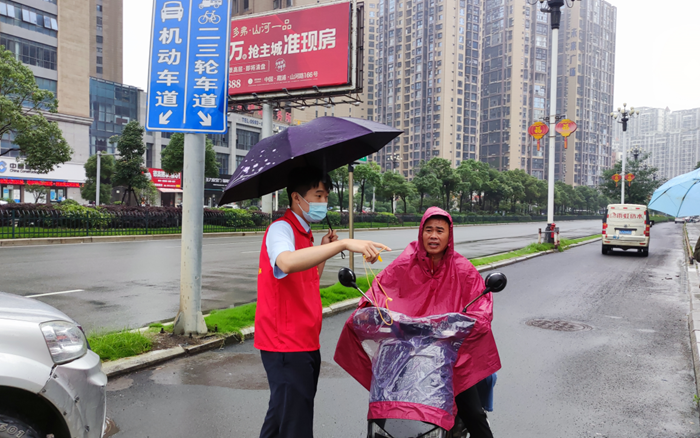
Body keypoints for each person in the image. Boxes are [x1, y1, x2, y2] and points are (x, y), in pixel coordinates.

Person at [334, 207, 500, 438]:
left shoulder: (463, 269)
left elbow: (481, 307)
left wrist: (464, 325)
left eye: (440, 230)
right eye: (428, 230)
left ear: (449, 235)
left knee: (474, 414)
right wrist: (368, 313)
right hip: (405, 355)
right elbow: (377, 294)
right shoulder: (403, 265)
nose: (433, 236)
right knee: (383, 410)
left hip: (449, 358)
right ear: (421, 232)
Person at [256, 166, 390, 438]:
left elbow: (307, 279)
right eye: (317, 195)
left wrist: (323, 248)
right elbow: (285, 262)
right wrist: (341, 245)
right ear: (296, 198)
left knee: (281, 418)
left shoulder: (305, 234)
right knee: (295, 424)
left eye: (326, 196)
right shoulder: (281, 229)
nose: (323, 202)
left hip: (305, 341)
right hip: (286, 344)